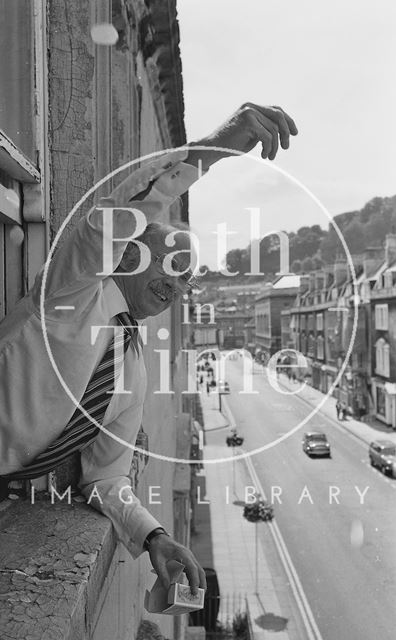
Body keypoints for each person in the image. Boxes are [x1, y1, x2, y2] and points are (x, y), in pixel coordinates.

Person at [0, 103, 298, 593]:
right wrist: (211, 151)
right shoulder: (71, 294)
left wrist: (154, 535)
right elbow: (110, 219)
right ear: (130, 250)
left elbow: (104, 479)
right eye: (174, 264)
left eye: (189, 279)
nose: (179, 285)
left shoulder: (132, 369)